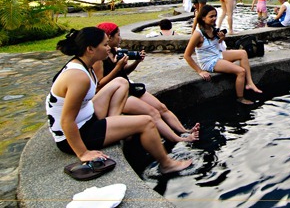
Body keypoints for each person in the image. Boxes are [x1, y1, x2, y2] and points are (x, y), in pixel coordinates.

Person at [46, 27, 191, 173]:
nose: (108, 48)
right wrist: (83, 153)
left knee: (121, 82)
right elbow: (66, 120)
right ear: (90, 49)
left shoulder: (84, 65)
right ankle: (167, 164)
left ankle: (114, 121)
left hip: (86, 116)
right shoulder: (78, 77)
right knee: (147, 122)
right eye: (104, 45)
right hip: (77, 134)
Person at [94, 22, 200, 143]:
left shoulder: (116, 51)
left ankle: (184, 130)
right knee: (153, 113)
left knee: (162, 107)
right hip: (116, 95)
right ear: (109, 37)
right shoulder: (100, 58)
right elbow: (99, 85)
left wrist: (136, 62)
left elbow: (124, 72)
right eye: (118, 35)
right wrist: (117, 67)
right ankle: (179, 139)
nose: (121, 38)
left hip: (128, 86)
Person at [184, 5, 262, 104]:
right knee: (241, 71)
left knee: (243, 53)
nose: (214, 18)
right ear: (203, 18)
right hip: (209, 61)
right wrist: (200, 71)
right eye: (211, 16)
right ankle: (240, 98)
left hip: (217, 54)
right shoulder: (198, 34)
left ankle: (250, 83)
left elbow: (215, 45)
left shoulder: (212, 28)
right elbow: (187, 55)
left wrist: (221, 38)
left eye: (215, 16)